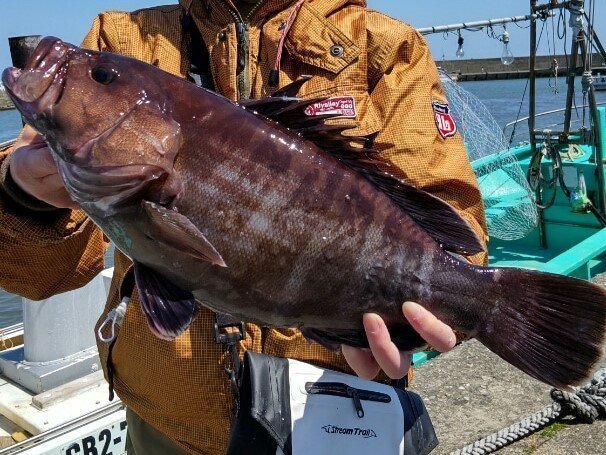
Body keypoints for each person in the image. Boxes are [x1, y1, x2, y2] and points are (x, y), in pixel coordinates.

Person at [0, 0, 487, 453]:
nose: (90, 73)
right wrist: (21, 193)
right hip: (167, 425)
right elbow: (39, 276)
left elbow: (453, 229)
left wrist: (433, 315)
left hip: (341, 415)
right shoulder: (123, 38)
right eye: (102, 77)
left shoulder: (382, 46)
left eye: (101, 77)